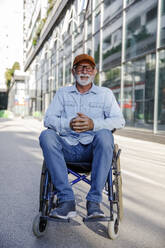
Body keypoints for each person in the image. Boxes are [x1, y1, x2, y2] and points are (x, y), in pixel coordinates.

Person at [39, 54, 125, 219]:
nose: (84, 71)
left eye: (89, 68)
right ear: (73, 72)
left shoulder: (105, 94)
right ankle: (66, 200)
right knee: (47, 135)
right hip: (67, 148)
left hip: (93, 151)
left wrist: (94, 124)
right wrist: (68, 124)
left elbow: (119, 121)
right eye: (80, 67)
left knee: (106, 135)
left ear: (95, 72)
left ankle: (94, 202)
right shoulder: (63, 93)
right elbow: (48, 119)